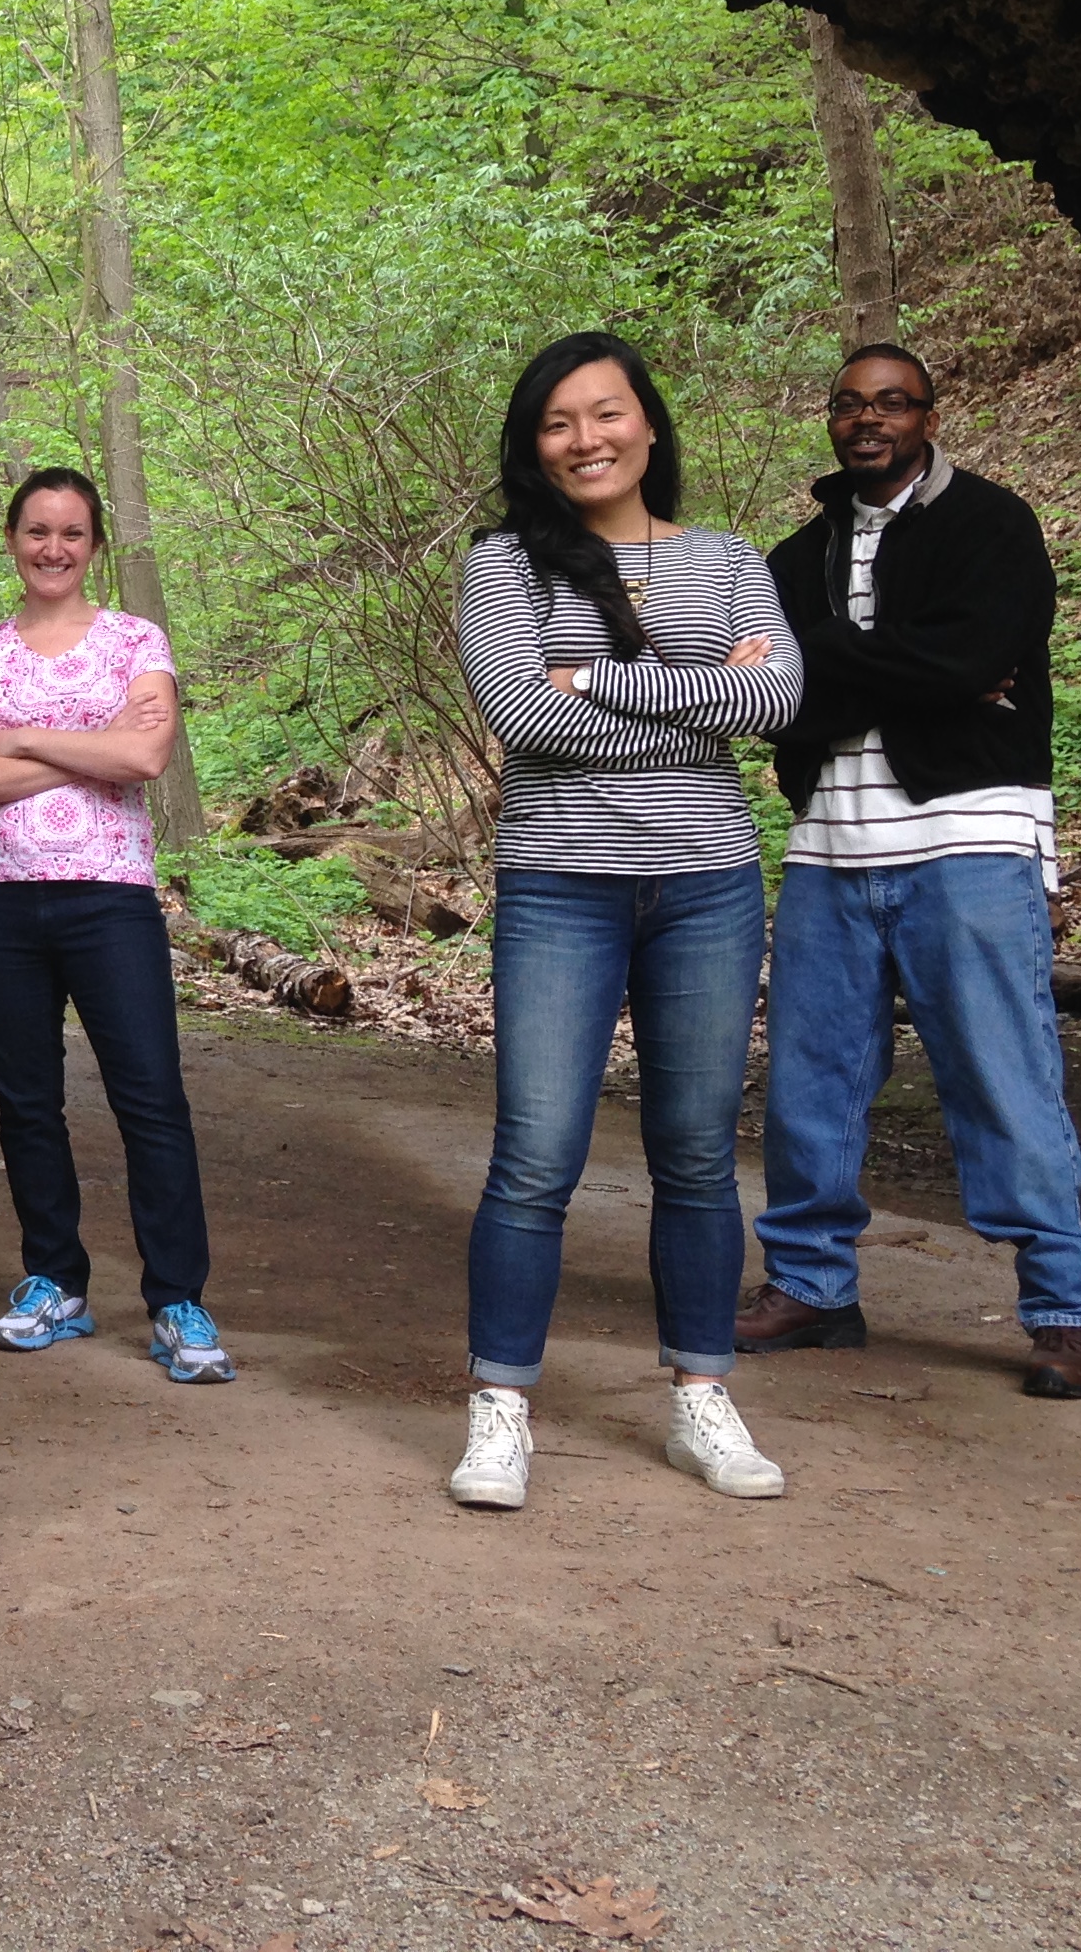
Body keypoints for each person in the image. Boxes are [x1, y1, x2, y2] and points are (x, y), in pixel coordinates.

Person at [447, 331, 802, 1510]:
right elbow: (517, 714)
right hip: (560, 884)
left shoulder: (729, 560)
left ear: (648, 424)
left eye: (605, 414)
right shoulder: (506, 566)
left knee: (698, 1155)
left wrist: (593, 682)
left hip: (706, 881)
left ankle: (701, 1395)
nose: (585, 439)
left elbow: (779, 696)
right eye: (558, 423)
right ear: (533, 447)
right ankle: (501, 1409)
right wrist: (704, 708)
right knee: (535, 1156)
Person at [739, 345, 1081, 1396]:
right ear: (831, 420)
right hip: (828, 849)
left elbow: (974, 655)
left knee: (1004, 1080)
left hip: (970, 841)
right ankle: (813, 1289)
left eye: (893, 404)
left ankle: (1069, 1309)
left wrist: (830, 654)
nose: (871, 420)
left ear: (929, 414)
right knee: (810, 1087)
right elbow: (787, 702)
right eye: (851, 405)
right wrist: (917, 666)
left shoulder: (989, 525)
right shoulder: (796, 554)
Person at [0, 466, 233, 1384]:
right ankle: (54, 1281)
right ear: (13, 540)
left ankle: (177, 1301)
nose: (53, 548)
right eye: (37, 531)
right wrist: (84, 744)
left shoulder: (136, 639)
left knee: (150, 1097)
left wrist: (17, 738)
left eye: (72, 533)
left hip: (110, 895)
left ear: (95, 544)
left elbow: (144, 754)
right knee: (28, 1103)